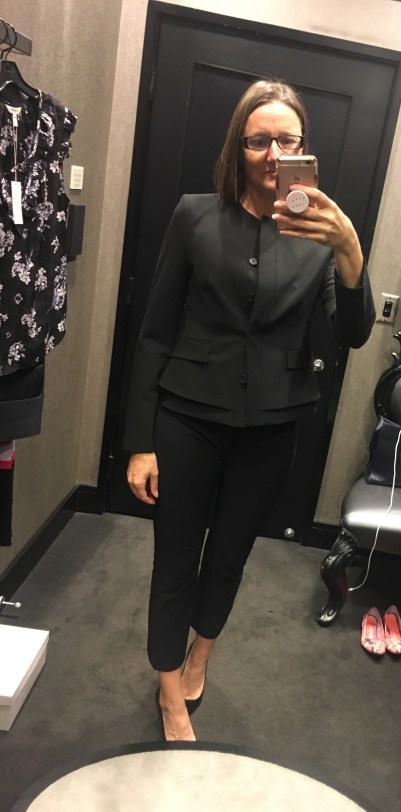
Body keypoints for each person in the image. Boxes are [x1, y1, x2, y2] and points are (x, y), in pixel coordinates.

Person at [124, 79, 375, 741]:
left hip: (271, 427)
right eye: (260, 139)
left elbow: (352, 332)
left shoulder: (321, 236)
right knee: (175, 560)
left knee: (229, 558)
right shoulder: (195, 216)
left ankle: (199, 656)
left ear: (303, 148)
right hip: (187, 418)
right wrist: (141, 441)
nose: (273, 153)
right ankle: (168, 691)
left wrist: (350, 249)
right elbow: (154, 331)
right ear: (239, 145)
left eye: (287, 140)